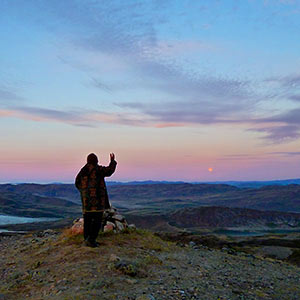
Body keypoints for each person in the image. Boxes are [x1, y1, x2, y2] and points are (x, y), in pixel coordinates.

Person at [75, 152, 117, 247]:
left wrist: (84, 192)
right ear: (96, 160)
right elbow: (109, 171)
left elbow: (77, 182)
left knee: (88, 222)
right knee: (97, 221)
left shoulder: (83, 171)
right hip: (98, 202)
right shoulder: (98, 169)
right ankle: (92, 240)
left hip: (86, 203)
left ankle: (86, 240)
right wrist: (112, 161)